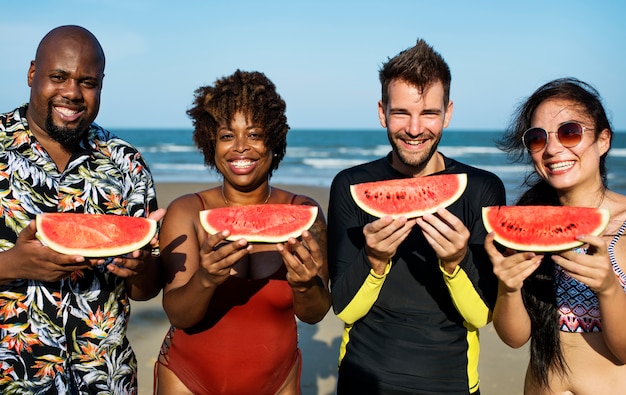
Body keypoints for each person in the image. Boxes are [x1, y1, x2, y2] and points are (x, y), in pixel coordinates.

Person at [327, 39, 506, 394]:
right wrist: (375, 259)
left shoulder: (482, 189)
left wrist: (456, 262)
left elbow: (480, 316)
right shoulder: (350, 185)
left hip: (452, 384)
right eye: (400, 113)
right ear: (382, 112)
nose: (413, 129)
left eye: (428, 113)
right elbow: (344, 309)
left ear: (448, 113)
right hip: (363, 381)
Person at [0, 25, 164, 394]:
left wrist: (139, 266)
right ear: (31, 73)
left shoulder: (127, 163)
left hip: (105, 380)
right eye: (59, 77)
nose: (72, 92)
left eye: (88, 82)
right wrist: (12, 265)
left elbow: (145, 290)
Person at [155, 69, 332, 394]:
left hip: (277, 383)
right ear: (211, 144)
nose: (240, 148)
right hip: (186, 380)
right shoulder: (187, 212)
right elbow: (178, 315)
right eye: (226, 136)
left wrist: (305, 285)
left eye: (254, 134)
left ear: (274, 141)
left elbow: (315, 314)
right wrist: (206, 279)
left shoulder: (305, 212)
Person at [485, 77, 626, 394]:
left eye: (570, 132)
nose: (551, 149)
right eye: (537, 138)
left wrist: (608, 288)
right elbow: (515, 338)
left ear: (603, 140)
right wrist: (508, 288)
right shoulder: (525, 224)